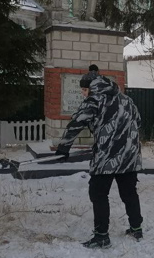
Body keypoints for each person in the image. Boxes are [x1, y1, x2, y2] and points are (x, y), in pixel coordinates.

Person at [56, 65, 144, 248]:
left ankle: (101, 235)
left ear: (92, 88)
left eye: (84, 89)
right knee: (129, 193)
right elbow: (139, 121)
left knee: (98, 193)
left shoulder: (94, 100)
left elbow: (76, 123)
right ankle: (136, 228)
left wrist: (64, 147)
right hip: (129, 155)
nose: (83, 93)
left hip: (107, 157)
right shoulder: (126, 99)